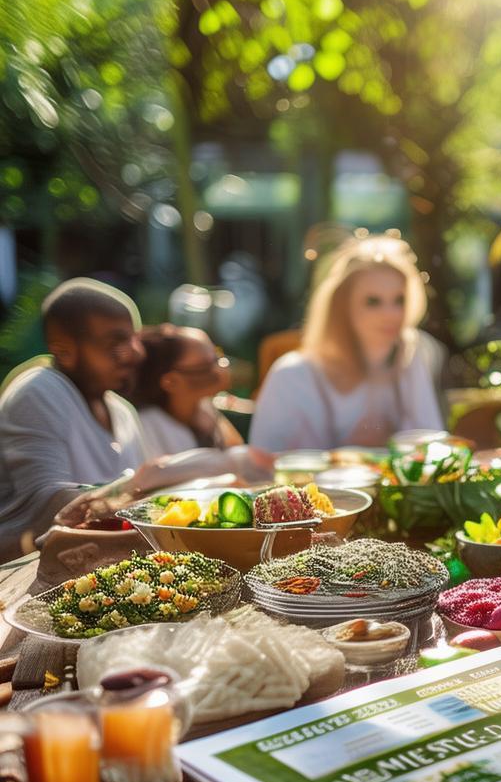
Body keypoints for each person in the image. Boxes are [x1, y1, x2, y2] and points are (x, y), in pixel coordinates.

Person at [250, 234, 445, 451]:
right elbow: (261, 465)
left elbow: (430, 442)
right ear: (341, 306)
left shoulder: (411, 353)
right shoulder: (291, 377)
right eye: (373, 302)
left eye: (399, 300)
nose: (391, 314)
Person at [0, 278, 147, 557]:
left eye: (134, 339)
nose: (135, 353)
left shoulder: (123, 412)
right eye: (116, 343)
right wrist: (154, 488)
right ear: (65, 351)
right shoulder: (38, 392)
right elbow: (51, 505)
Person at [131, 324, 242, 458]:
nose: (222, 367)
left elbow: (237, 451)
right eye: (208, 364)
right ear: (171, 381)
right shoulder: (149, 428)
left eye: (218, 354)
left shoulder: (203, 407)